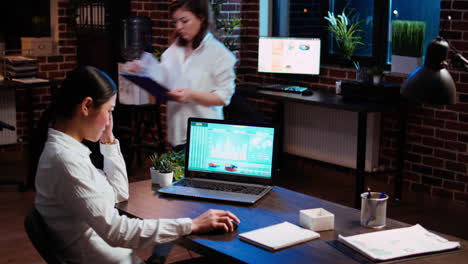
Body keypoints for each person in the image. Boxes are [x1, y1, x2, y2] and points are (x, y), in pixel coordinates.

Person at [34, 66, 239, 263]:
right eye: (109, 110)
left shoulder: (68, 152)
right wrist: (192, 225)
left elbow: (119, 193)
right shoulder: (65, 160)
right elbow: (117, 232)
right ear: (86, 106)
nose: (109, 120)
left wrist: (108, 139)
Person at [126, 0, 237, 151]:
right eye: (176, 21)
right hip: (176, 132)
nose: (178, 27)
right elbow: (164, 76)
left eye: (184, 21)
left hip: (205, 135)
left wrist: (191, 95)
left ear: (201, 18)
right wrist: (144, 69)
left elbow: (223, 97)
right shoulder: (175, 49)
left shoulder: (220, 54)